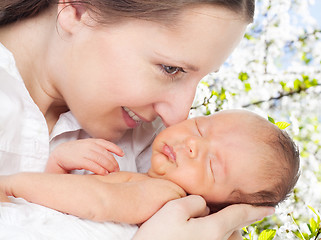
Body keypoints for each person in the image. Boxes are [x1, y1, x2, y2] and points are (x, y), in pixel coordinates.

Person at [0, 0, 275, 239]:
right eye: (171, 69)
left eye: (200, 80)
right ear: (77, 8)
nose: (178, 116)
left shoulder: (155, 152)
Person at [0, 109, 300, 226]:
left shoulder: (167, 197)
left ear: (215, 206)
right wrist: (59, 165)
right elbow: (65, 214)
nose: (193, 145)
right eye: (200, 127)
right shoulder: (146, 182)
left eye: (211, 164)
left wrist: (13, 184)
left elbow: (98, 202)